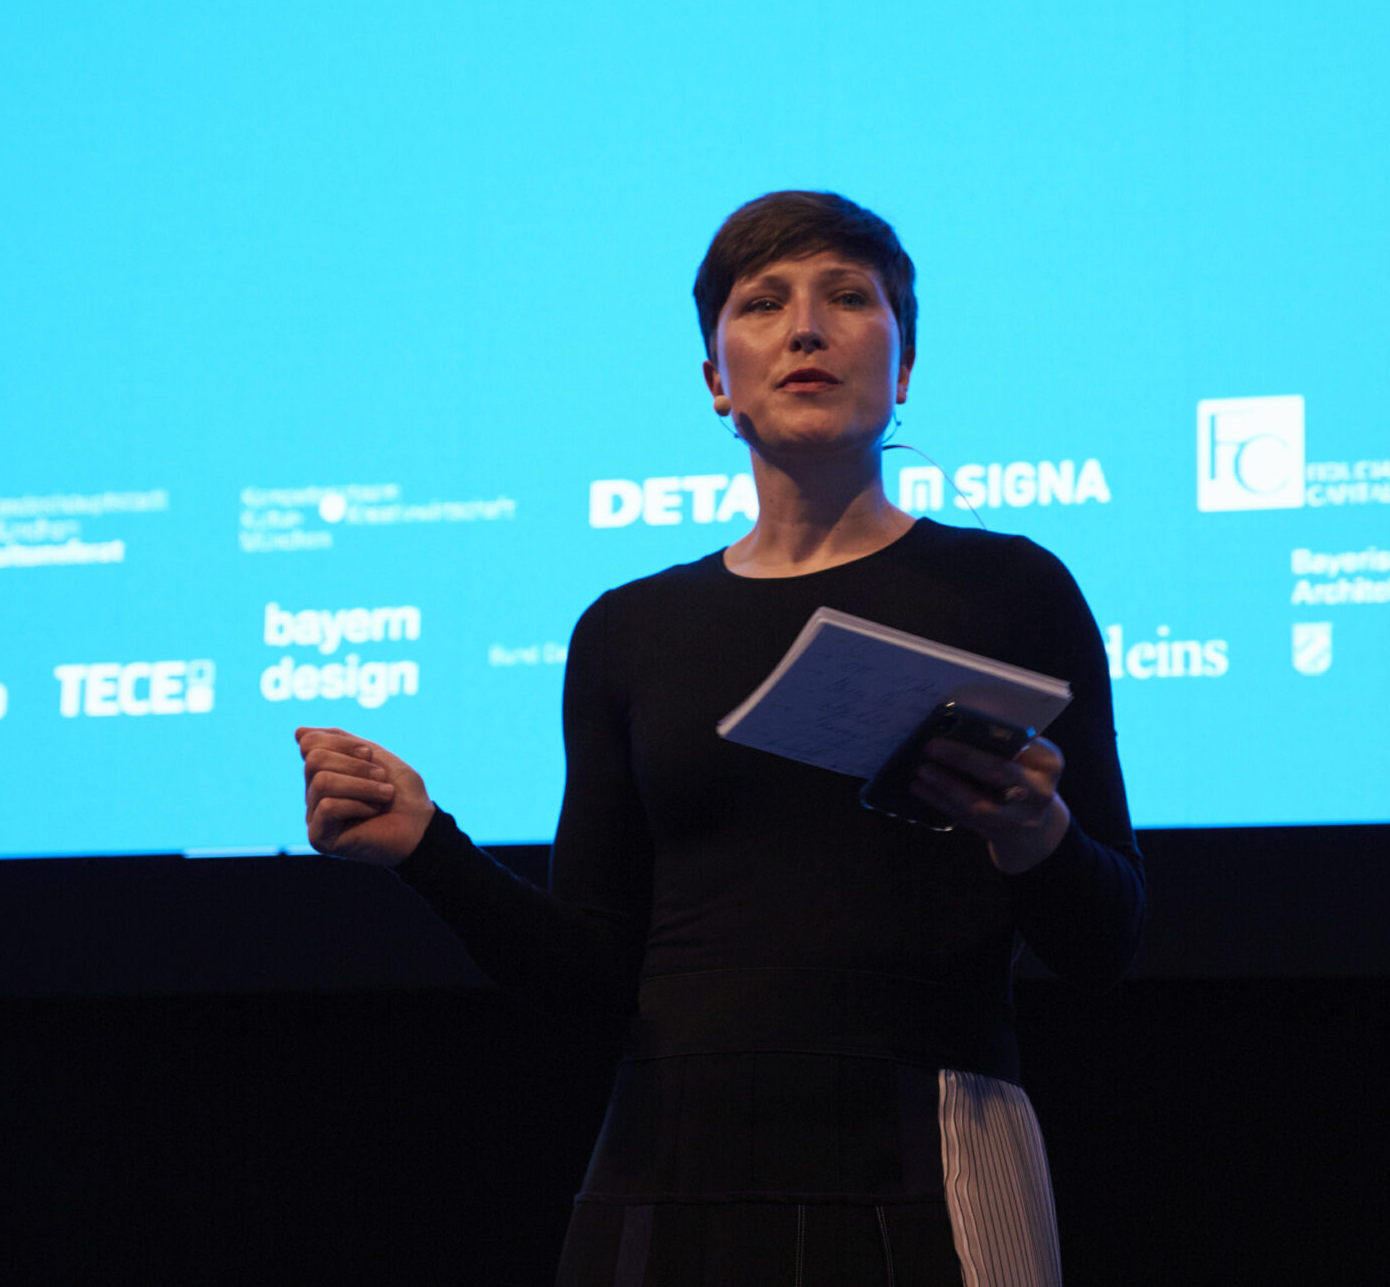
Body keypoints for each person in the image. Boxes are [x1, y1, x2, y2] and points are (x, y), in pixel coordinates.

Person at [297, 191, 1145, 1286]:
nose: (808, 329)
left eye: (849, 298)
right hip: (667, 1152)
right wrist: (428, 847)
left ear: (904, 366)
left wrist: (1036, 836)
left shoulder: (1010, 589)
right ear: (715, 380)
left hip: (932, 1135)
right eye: (764, 303)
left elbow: (1106, 941)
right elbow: (594, 976)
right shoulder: (629, 629)